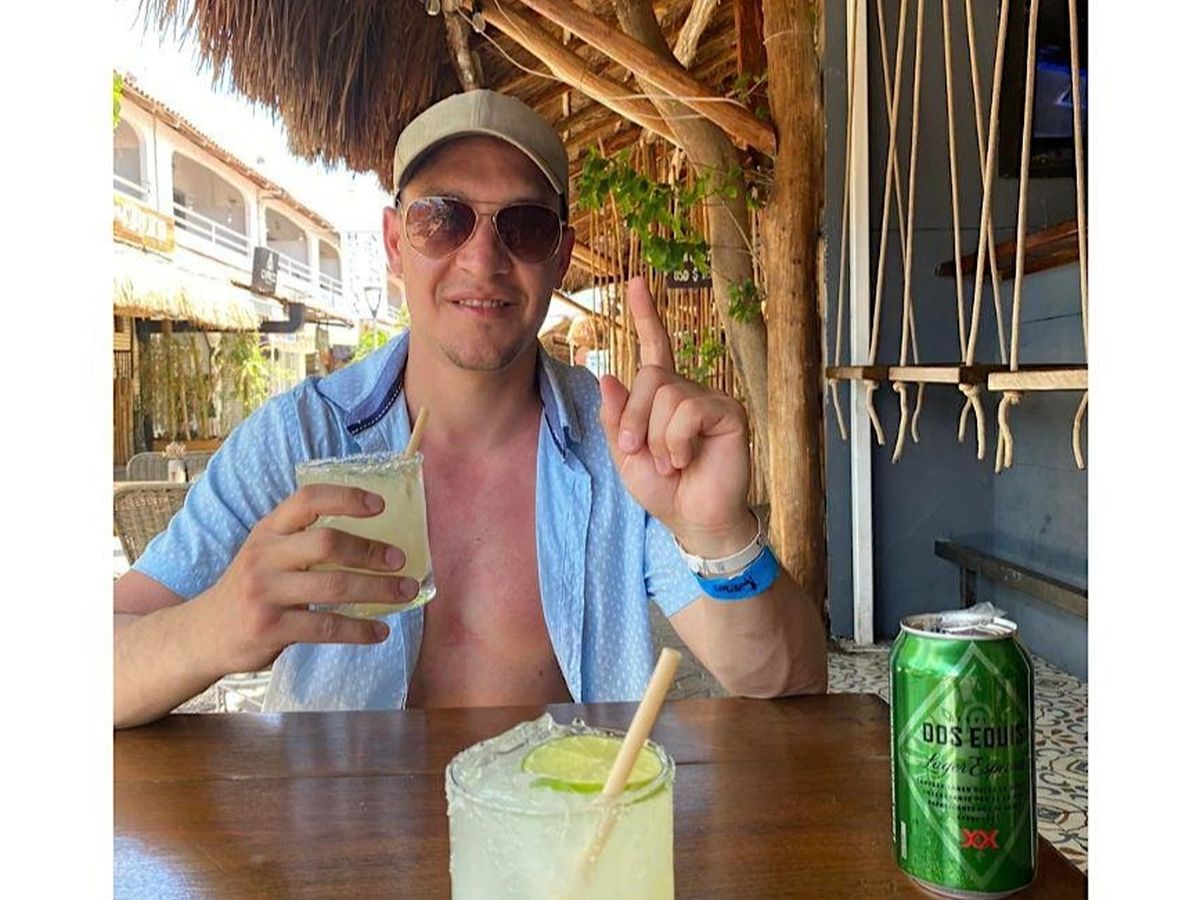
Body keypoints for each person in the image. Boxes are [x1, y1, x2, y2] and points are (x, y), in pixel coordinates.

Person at [114, 90, 827, 728]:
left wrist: (718, 534)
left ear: (560, 256)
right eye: (442, 219)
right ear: (395, 243)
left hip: (562, 823)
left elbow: (787, 679)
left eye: (525, 226)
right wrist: (216, 626)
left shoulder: (622, 443)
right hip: (347, 829)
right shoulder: (300, 437)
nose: (482, 259)